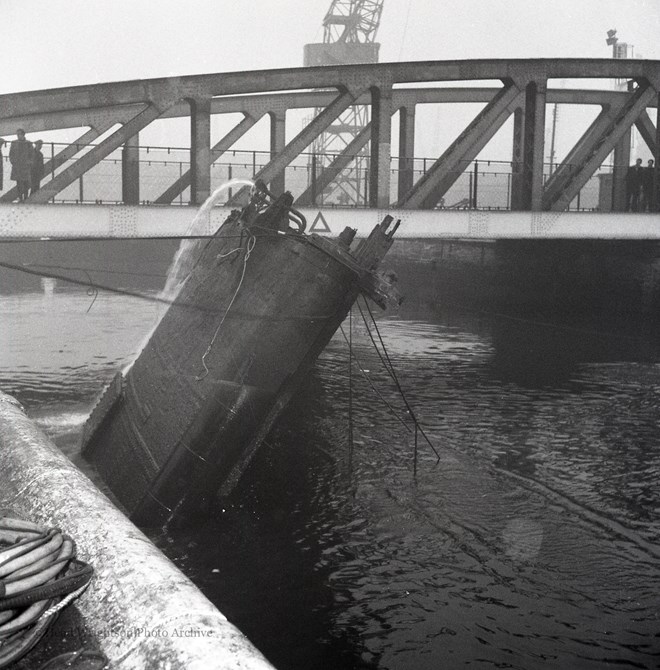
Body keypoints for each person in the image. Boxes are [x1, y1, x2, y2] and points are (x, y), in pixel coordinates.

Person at [9, 129, 33, 201]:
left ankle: (25, 197)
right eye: (17, 134)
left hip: (25, 166)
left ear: (23, 134)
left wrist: (29, 163)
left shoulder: (28, 143)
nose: (18, 136)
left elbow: (32, 154)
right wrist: (13, 162)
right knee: (19, 182)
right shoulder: (14, 143)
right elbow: (11, 154)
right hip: (18, 166)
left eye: (19, 134)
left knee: (26, 182)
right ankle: (20, 197)